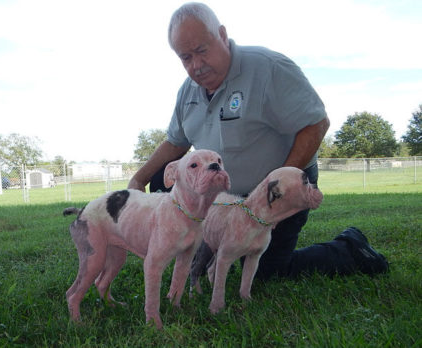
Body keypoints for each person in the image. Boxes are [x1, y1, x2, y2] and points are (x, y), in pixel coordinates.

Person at [128, 2, 388, 279]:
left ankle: (351, 248)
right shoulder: (187, 91)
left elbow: (316, 124)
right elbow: (175, 143)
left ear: (223, 35)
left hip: (278, 188)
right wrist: (138, 179)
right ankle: (208, 239)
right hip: (223, 196)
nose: (197, 65)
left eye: (202, 51)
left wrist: (276, 192)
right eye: (186, 57)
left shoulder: (268, 69)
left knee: (265, 273)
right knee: (161, 179)